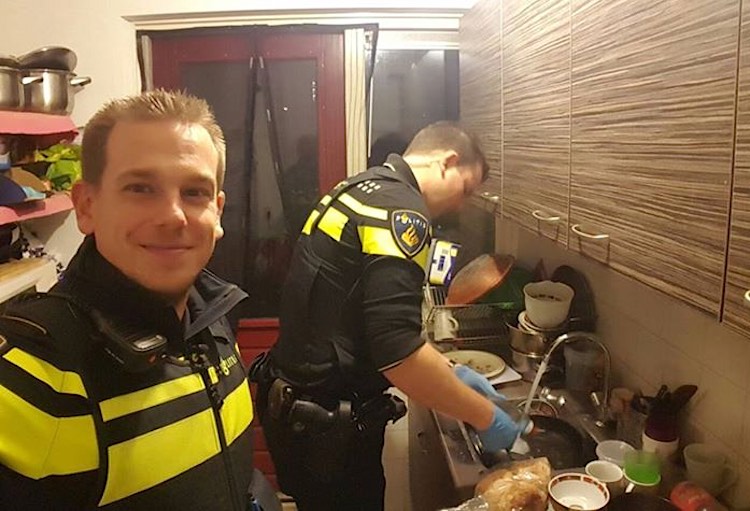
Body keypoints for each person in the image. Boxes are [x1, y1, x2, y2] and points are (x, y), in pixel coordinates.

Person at [0, 90, 257, 510]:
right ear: (86, 207)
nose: (173, 215)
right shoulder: (34, 375)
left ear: (218, 211)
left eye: (195, 192)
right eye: (141, 188)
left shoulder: (214, 321)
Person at [250, 121, 524, 511]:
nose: (461, 205)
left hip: (298, 415)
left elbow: (358, 316)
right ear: (447, 162)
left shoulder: (359, 188)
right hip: (329, 433)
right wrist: (487, 417)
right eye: (466, 189)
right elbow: (399, 356)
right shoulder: (401, 209)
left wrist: (449, 371)